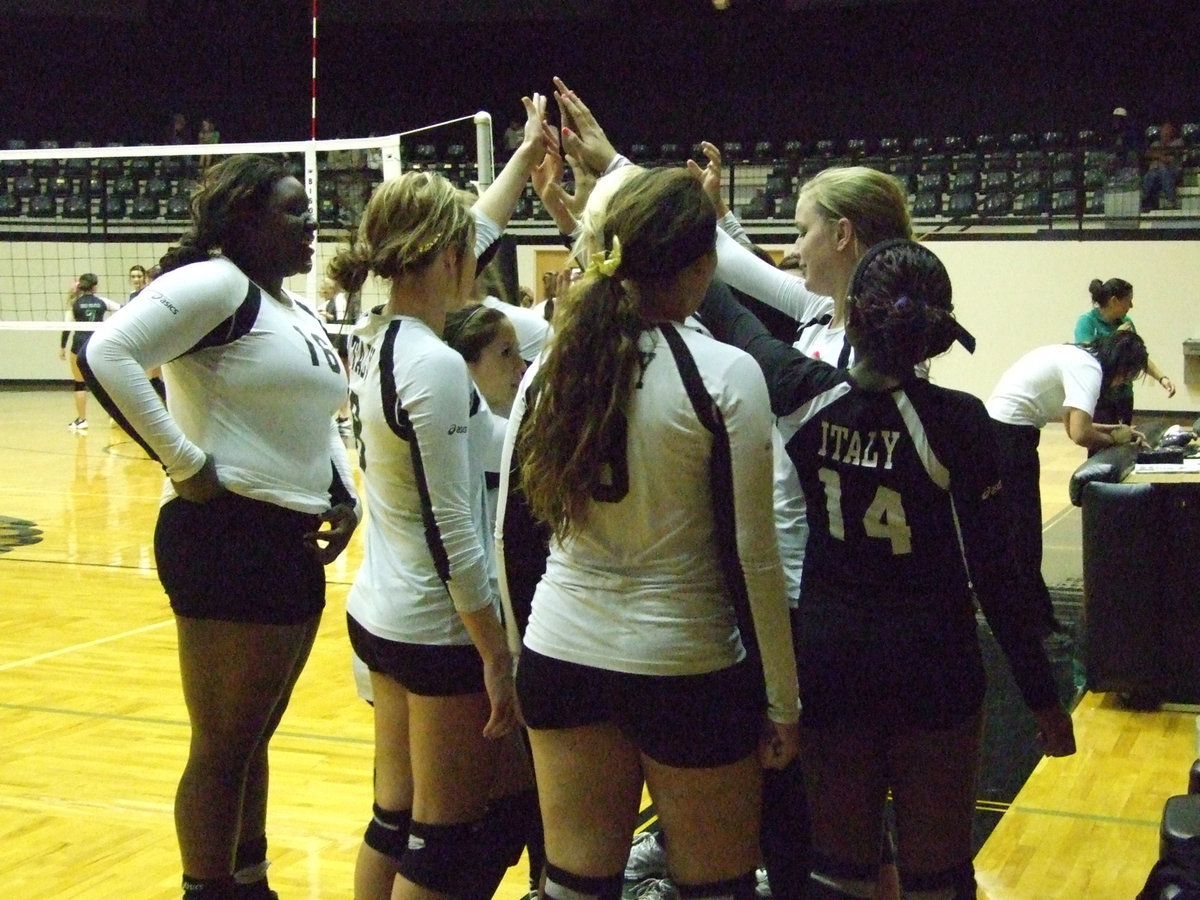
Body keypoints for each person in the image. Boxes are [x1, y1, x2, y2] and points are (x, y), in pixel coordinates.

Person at [697, 237, 1076, 900]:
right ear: (933, 335)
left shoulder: (799, 391)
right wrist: (1043, 698)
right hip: (934, 660)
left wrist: (687, 228)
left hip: (832, 654)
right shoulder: (960, 422)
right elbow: (997, 576)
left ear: (854, 316)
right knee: (938, 874)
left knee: (837, 869)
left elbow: (736, 319)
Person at [511, 166, 800, 900]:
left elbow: (507, 535)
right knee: (717, 886)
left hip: (560, 651)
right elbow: (752, 555)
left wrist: (518, 659)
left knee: (574, 884)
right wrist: (783, 698)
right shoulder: (726, 373)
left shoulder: (546, 369)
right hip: (687, 662)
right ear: (702, 266)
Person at [79, 154, 360, 900]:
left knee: (250, 739)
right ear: (246, 221)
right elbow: (106, 352)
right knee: (224, 744)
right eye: (294, 211)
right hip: (226, 535)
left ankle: (250, 880)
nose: (312, 224)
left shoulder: (292, 309)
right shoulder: (217, 283)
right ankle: (208, 888)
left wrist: (343, 491)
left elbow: (315, 415)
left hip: (288, 540)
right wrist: (181, 461)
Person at [330, 91, 551, 900]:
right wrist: (496, 654)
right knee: (446, 839)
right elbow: (456, 536)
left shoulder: (377, 331)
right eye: (470, 251)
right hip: (436, 630)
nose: (480, 261)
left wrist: (524, 160)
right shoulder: (431, 365)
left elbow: (471, 226)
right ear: (443, 256)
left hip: (380, 613)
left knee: (395, 819)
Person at [986, 330, 1150, 638]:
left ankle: (1036, 616)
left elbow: (1071, 421)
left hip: (1004, 429)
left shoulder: (1077, 356)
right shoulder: (1088, 370)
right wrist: (1114, 438)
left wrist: (1118, 430)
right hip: (1008, 435)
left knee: (1021, 532)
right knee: (1025, 533)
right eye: (1128, 377)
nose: (1123, 384)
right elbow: (1079, 434)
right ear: (1123, 368)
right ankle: (1032, 621)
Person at [1073, 277, 1175, 428]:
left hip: (1124, 395)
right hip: (1100, 396)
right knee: (1099, 442)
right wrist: (1115, 337)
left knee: (1124, 437)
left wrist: (1162, 378)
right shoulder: (1087, 322)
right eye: (1128, 300)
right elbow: (1089, 356)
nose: (1131, 306)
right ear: (1114, 301)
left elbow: (1138, 356)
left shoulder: (1126, 321)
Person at [59, 273, 119, 431]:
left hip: (79, 345)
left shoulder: (74, 303)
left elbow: (67, 327)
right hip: (98, 343)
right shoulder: (102, 302)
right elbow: (123, 309)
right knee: (106, 383)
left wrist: (62, 347)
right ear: (95, 286)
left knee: (79, 383)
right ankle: (115, 415)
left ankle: (82, 420)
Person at [1142, 121, 1185, 210]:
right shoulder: (1156, 144)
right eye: (1163, 131)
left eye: (1167, 130)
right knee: (1149, 175)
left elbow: (1171, 154)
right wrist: (1160, 156)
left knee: (1163, 170)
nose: (1164, 133)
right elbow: (1147, 154)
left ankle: (1171, 200)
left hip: (1174, 171)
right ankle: (1147, 201)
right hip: (1157, 173)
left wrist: (1158, 155)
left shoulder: (1178, 142)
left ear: (1171, 132)